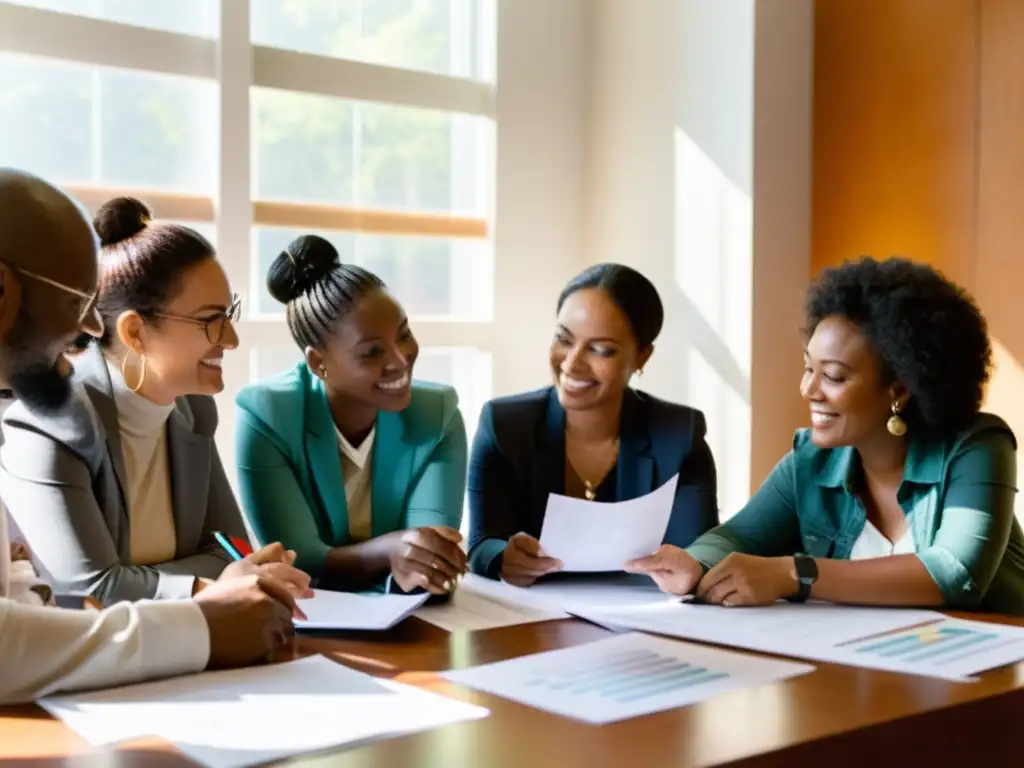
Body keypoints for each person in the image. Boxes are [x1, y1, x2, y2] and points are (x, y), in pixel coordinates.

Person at [0, 168, 301, 705]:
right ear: (136, 332)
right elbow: (89, 589)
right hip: (83, 698)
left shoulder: (192, 412)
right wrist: (207, 594)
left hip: (167, 682)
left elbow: (232, 547)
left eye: (227, 314)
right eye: (211, 319)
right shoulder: (44, 417)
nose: (230, 338)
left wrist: (212, 578)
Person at [627, 256, 1024, 614]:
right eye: (808, 368)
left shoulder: (978, 447)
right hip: (880, 674)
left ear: (900, 389)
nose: (809, 390)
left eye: (834, 376)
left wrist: (795, 574)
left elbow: (955, 574)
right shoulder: (811, 462)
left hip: (993, 682)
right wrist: (695, 564)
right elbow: (738, 535)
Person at [235, 235, 468, 595]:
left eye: (404, 335)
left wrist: (408, 558)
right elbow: (300, 559)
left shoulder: (437, 416)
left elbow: (431, 561)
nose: (400, 360)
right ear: (319, 363)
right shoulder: (267, 416)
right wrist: (390, 550)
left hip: (404, 621)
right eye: (373, 352)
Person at [468, 263, 720, 585]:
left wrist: (692, 567)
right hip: (530, 622)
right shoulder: (504, 425)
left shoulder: (680, 435)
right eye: (564, 339)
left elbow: (700, 550)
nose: (572, 363)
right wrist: (503, 558)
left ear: (642, 357)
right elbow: (481, 542)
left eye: (601, 350)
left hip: (642, 621)